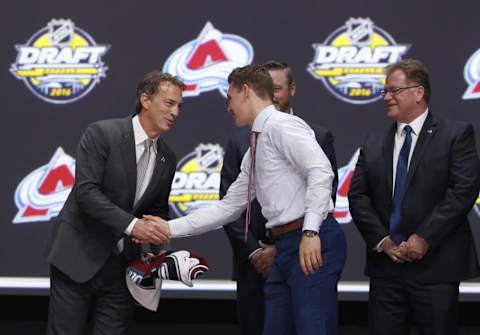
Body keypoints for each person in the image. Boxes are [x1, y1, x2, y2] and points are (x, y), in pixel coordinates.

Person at [154, 64, 346, 335]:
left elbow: (321, 170)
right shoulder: (257, 142)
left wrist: (311, 231)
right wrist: (167, 228)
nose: (228, 107)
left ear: (245, 91)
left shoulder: (282, 125)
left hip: (312, 241)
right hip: (287, 246)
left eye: (230, 98)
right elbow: (229, 207)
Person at [46, 71, 184, 335]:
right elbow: (86, 193)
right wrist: (133, 226)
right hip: (77, 256)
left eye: (179, 105)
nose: (176, 112)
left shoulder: (168, 156)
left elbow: (156, 210)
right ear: (145, 99)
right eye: (169, 103)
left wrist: (162, 253)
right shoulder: (102, 133)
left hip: (123, 268)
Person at [348, 58, 480, 335]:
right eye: (385, 91)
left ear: (418, 92)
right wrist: (383, 241)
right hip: (386, 269)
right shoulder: (373, 140)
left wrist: (424, 238)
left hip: (436, 267)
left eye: (394, 90)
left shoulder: (455, 134)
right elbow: (358, 197)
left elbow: (462, 191)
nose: (386, 97)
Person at [220, 60, 338, 335]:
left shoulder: (302, 131)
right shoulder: (247, 141)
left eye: (276, 89)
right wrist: (257, 251)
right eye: (267, 89)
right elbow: (230, 205)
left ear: (292, 89)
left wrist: (306, 234)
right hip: (256, 262)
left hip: (306, 248)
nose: (272, 96)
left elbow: (322, 181)